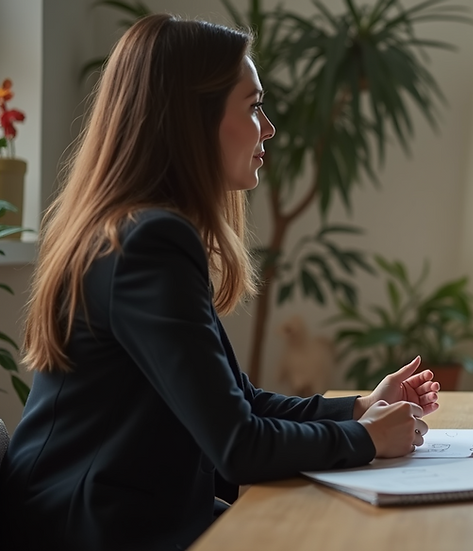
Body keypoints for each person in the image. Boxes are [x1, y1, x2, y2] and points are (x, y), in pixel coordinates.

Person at [0, 14, 439, 551]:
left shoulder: (138, 231)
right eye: (254, 107)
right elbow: (238, 444)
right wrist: (366, 439)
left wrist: (357, 407)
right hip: (91, 530)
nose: (270, 128)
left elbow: (239, 403)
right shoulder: (148, 243)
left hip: (123, 515)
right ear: (193, 118)